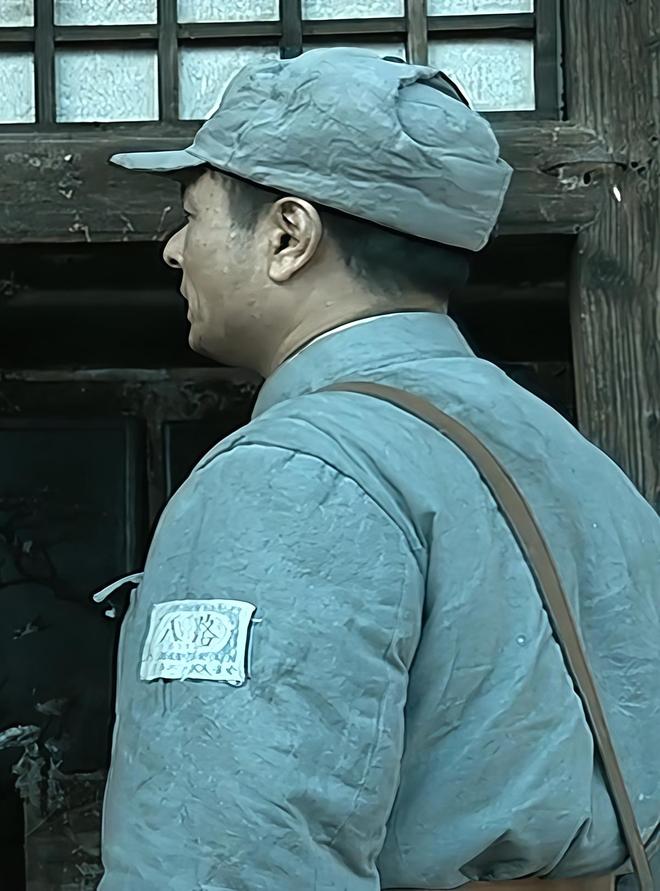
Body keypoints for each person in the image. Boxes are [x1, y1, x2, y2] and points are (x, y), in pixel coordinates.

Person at [99, 48, 660, 890]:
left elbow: (228, 860)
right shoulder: (564, 452)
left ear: (288, 236)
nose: (176, 249)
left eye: (193, 214)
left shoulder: (290, 472)